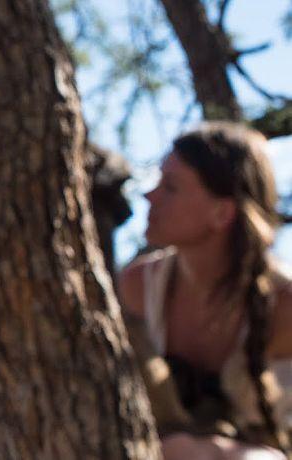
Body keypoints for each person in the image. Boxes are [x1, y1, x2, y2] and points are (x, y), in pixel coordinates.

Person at [117, 122, 292, 459]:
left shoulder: (283, 305)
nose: (149, 195)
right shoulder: (139, 285)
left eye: (171, 187)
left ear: (221, 213)